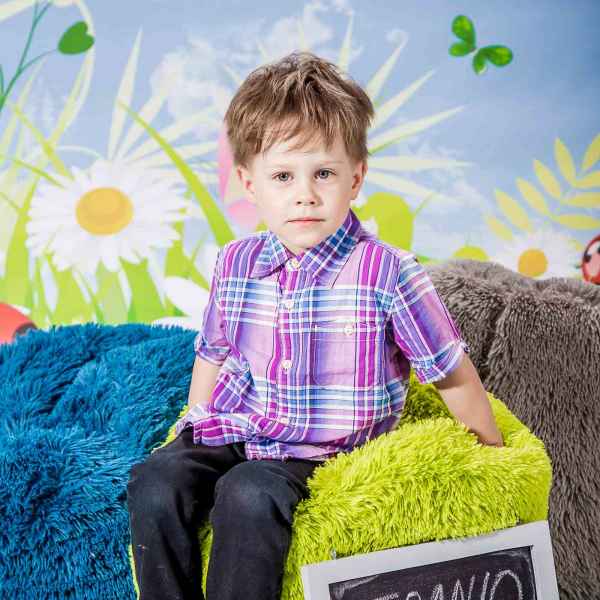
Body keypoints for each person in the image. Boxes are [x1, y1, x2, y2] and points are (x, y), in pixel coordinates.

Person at [126, 50, 504, 600]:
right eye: (283, 176)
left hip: (321, 448)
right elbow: (213, 352)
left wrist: (493, 456)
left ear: (356, 178)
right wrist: (194, 423)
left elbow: (451, 371)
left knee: (247, 494)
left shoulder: (386, 271)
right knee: (155, 482)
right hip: (242, 425)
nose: (304, 193)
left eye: (323, 173)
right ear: (249, 183)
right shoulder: (236, 262)